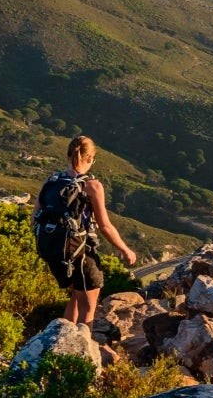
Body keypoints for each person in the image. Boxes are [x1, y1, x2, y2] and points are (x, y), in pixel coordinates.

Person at [36, 135, 139, 326]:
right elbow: (105, 225)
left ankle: (63, 339)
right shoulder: (92, 186)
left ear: (68, 155)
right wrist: (125, 249)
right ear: (91, 159)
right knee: (88, 307)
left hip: (57, 252)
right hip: (81, 252)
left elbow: (36, 215)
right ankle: (80, 350)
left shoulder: (52, 181)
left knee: (76, 297)